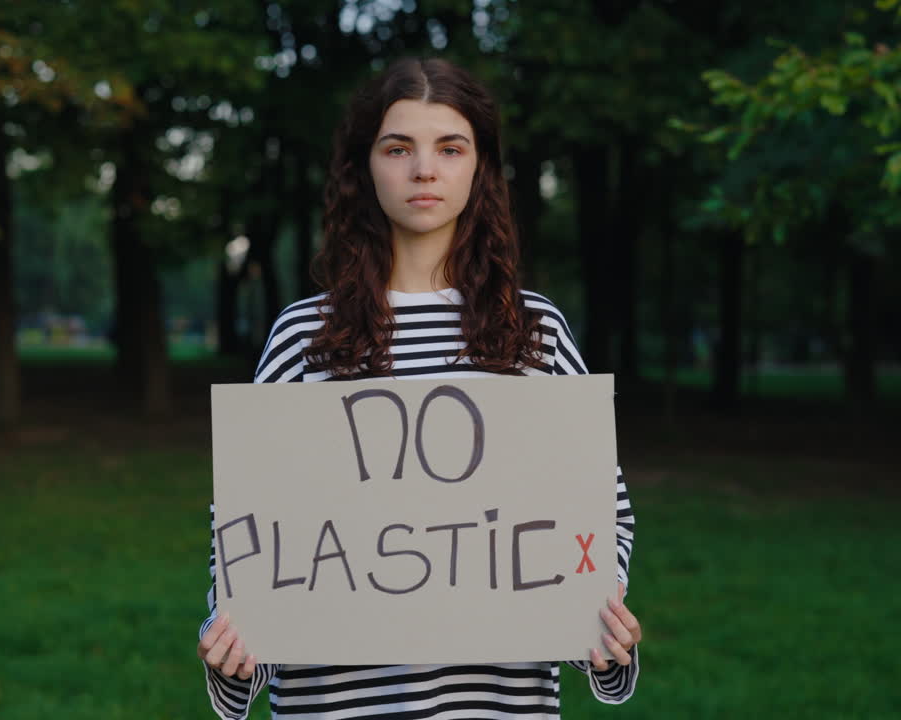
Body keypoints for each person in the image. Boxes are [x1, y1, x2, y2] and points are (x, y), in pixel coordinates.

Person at [197, 56, 640, 719]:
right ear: (363, 167)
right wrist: (235, 655)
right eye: (398, 148)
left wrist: (598, 635)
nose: (424, 170)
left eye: (449, 148)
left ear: (480, 168)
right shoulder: (302, 337)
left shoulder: (536, 332)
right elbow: (250, 543)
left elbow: (599, 515)